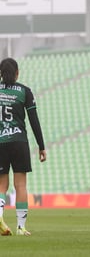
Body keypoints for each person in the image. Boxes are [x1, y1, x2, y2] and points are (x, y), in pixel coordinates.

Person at [0, 57, 46, 236]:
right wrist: (41, 146)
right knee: (20, 185)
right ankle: (21, 227)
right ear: (17, 72)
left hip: (0, 143)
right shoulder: (25, 91)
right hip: (19, 142)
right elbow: (34, 121)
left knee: (1, 186)